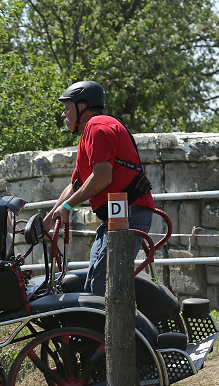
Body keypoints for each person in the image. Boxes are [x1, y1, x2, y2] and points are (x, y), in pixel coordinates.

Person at [43, 81, 155, 297]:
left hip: (128, 213)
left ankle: (126, 330)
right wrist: (47, 222)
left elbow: (102, 176)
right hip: (118, 214)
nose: (63, 115)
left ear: (82, 107)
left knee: (103, 285)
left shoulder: (97, 127)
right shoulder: (90, 133)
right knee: (95, 284)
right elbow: (75, 185)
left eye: (67, 109)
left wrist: (68, 206)